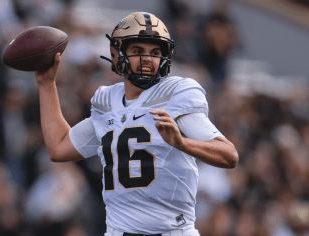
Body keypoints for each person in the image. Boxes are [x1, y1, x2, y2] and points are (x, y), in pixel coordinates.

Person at [34, 12, 238, 236]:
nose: (148, 59)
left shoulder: (175, 94)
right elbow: (59, 147)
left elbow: (228, 155)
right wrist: (47, 84)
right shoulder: (107, 101)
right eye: (138, 51)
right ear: (117, 53)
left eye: (155, 52)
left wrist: (183, 143)